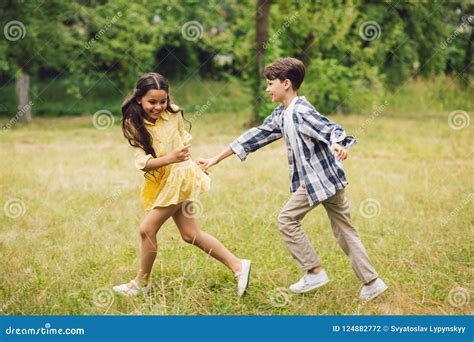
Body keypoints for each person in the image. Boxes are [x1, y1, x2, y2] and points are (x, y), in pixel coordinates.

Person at [197, 58, 387, 301]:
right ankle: (372, 282)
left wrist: (338, 143)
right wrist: (215, 159)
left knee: (287, 220)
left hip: (318, 181)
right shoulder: (283, 114)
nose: (267, 89)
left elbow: (329, 128)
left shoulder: (301, 111)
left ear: (286, 84)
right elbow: (255, 136)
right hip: (331, 180)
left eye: (270, 83)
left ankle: (314, 271)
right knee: (344, 230)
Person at [113, 72, 251, 297]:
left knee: (147, 229)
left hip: (181, 179)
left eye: (163, 101)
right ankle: (238, 265)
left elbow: (180, 145)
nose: (158, 106)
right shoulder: (133, 123)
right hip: (163, 180)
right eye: (152, 102)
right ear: (139, 99)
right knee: (190, 234)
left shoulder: (173, 113)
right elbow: (144, 164)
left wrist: (189, 163)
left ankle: (141, 283)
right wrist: (172, 159)